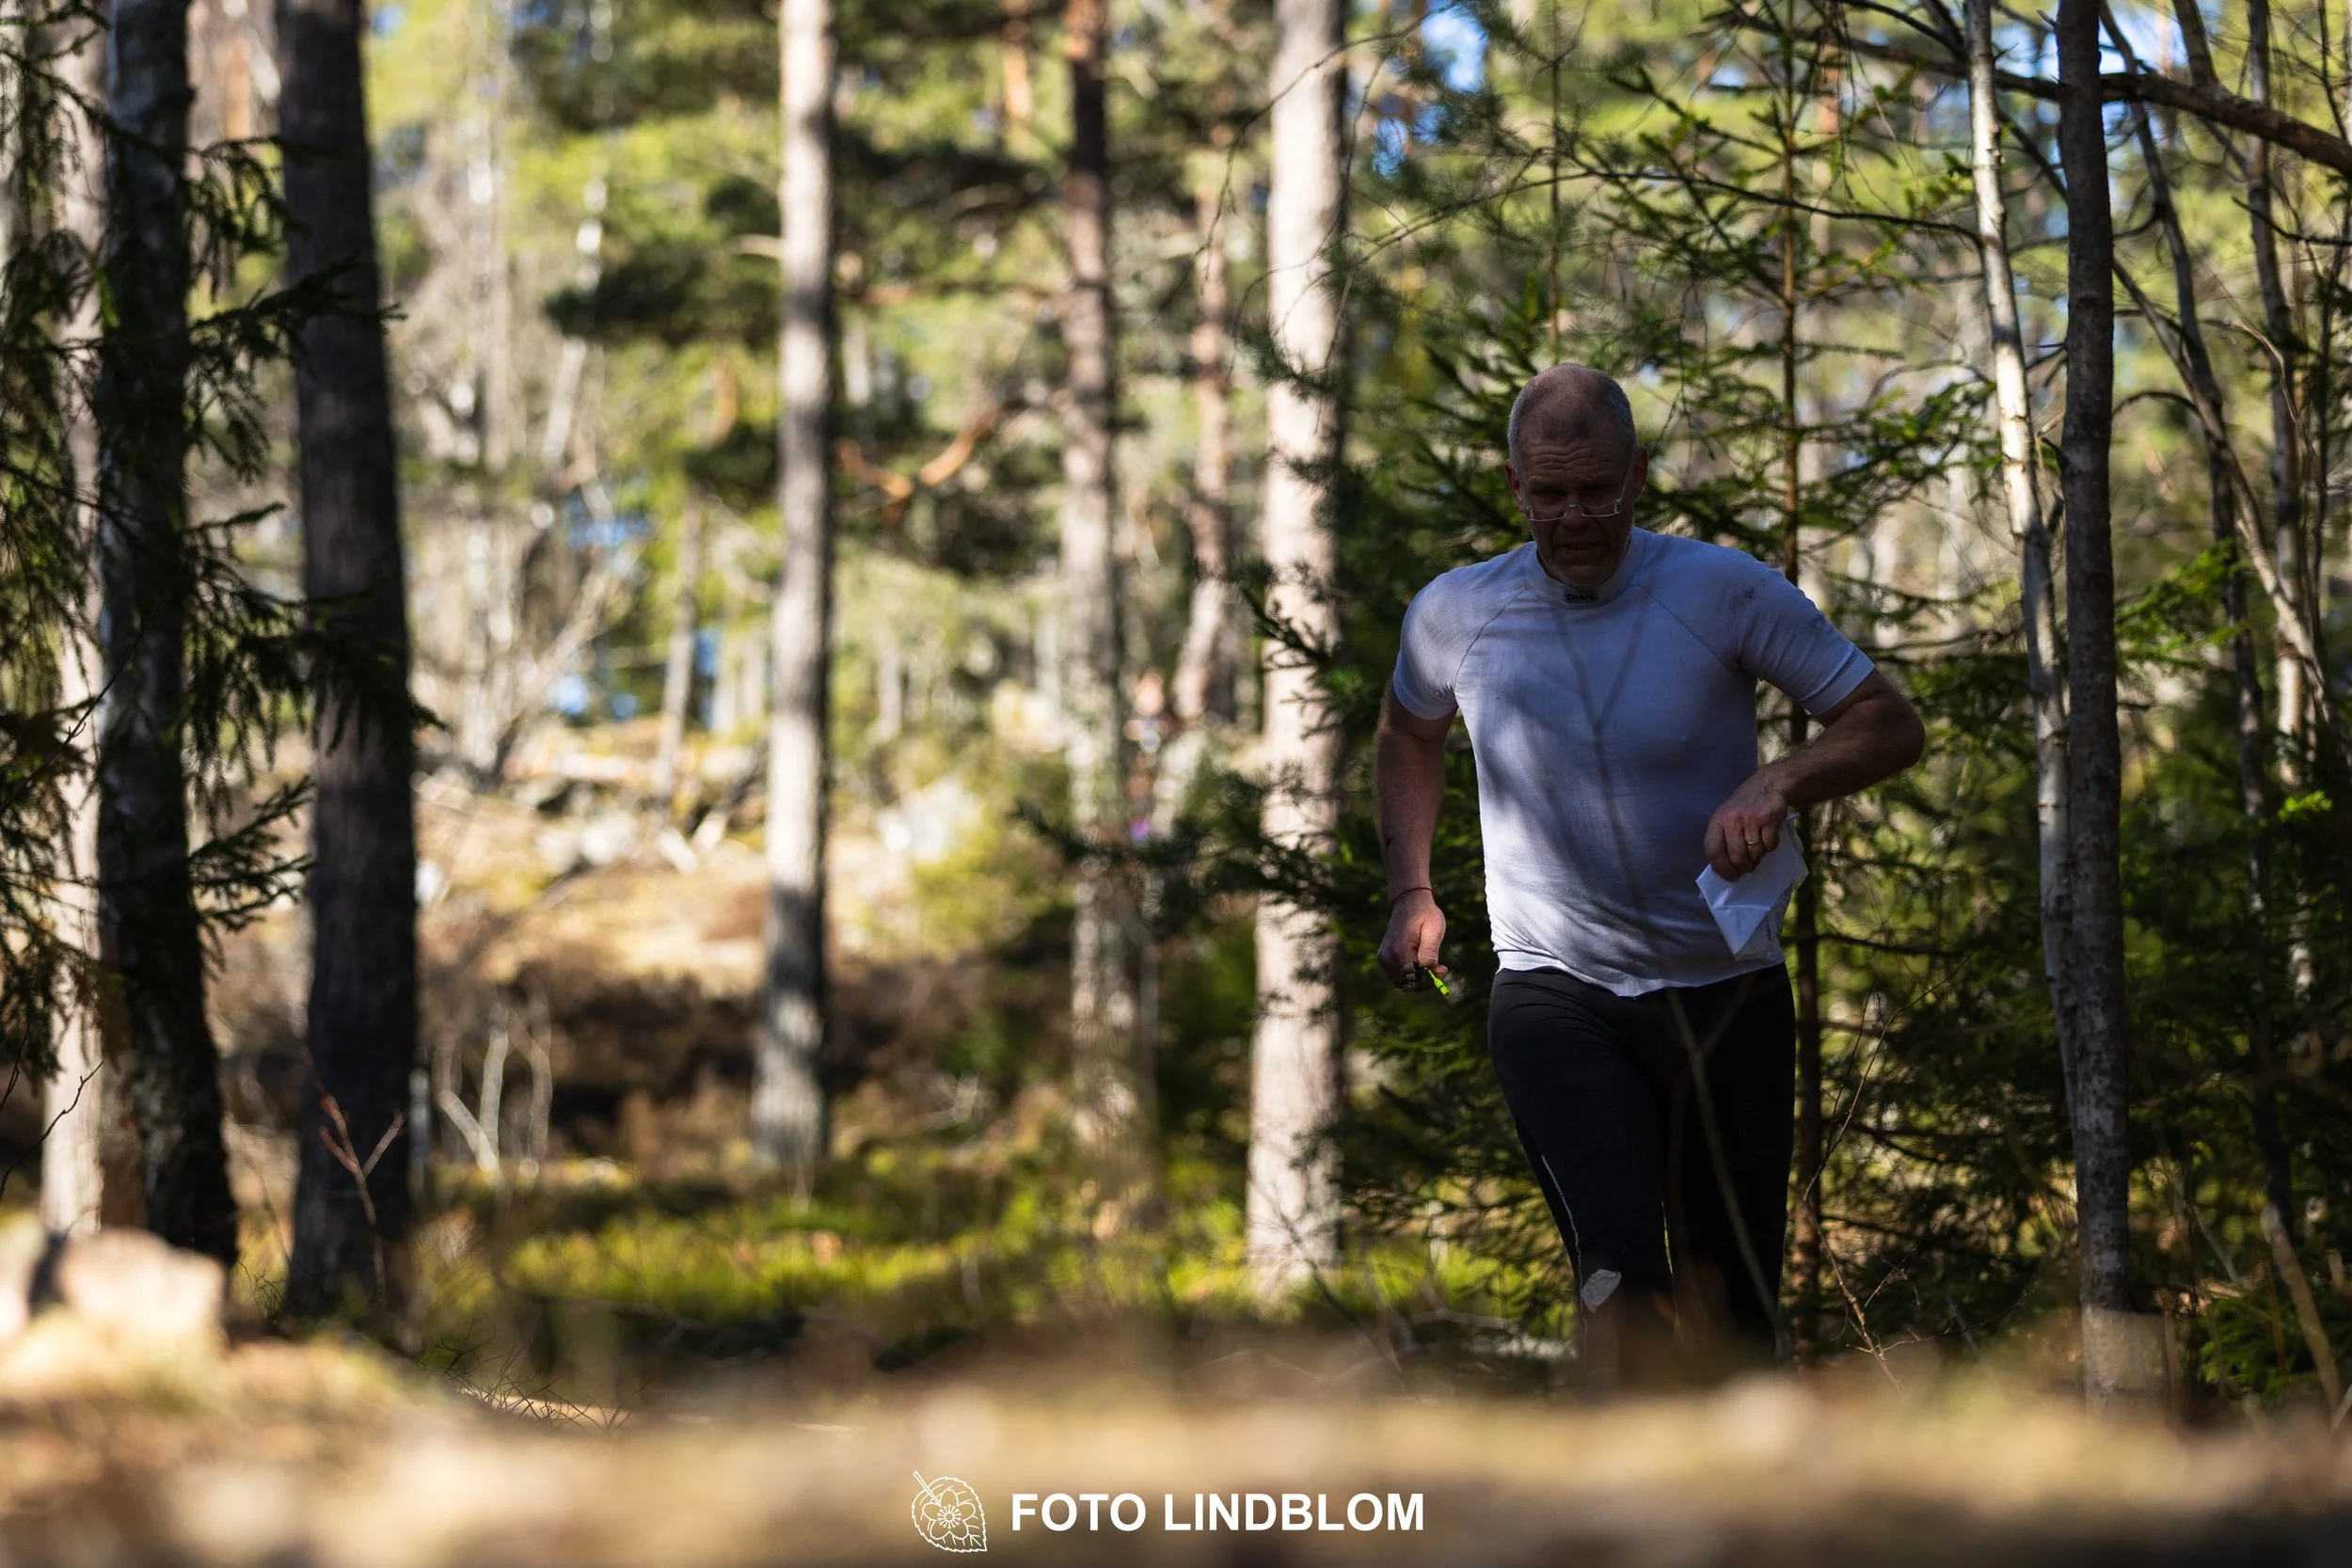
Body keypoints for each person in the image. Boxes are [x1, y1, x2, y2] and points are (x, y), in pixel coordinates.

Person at [1374, 363, 1925, 1382]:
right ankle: (1609, 1519)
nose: (1574, 516)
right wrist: (1412, 886)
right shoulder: (1457, 612)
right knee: (1618, 1277)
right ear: (1513, 487)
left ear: (1637, 474)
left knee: (1734, 1316)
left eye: (1596, 489)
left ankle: (1739, 1521)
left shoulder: (1718, 590)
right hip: (1555, 991)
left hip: (1726, 995)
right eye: (1548, 494)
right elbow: (1410, 733)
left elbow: (1888, 722)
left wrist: (1778, 781)